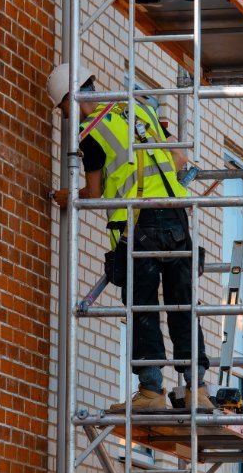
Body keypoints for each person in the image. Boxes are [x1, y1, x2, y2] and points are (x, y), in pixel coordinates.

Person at [48, 63, 212, 412]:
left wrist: (68, 196)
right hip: (178, 219)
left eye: (63, 109)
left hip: (141, 226)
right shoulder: (139, 108)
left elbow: (94, 193)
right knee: (183, 305)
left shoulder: (91, 133)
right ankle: (196, 390)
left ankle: (151, 392)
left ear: (72, 100)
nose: (65, 116)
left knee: (143, 308)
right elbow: (180, 157)